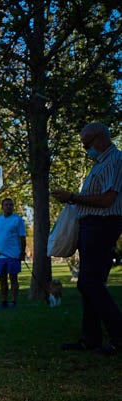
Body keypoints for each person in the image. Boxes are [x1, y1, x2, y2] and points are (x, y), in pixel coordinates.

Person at [51, 122, 122, 354]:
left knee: (90, 283)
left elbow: (107, 200)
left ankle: (118, 336)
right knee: (88, 283)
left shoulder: (114, 161)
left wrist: (73, 197)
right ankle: (90, 338)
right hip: (91, 225)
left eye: (86, 144)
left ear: (100, 138)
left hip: (102, 225)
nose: (85, 150)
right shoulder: (99, 164)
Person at [0, 197, 26, 309]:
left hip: (13, 255)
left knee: (13, 279)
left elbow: (22, 237)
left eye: (11, 205)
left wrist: (22, 252)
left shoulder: (18, 220)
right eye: (6, 205)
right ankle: (4, 302)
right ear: (2, 207)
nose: (8, 207)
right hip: (0, 256)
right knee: (2, 279)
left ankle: (14, 302)